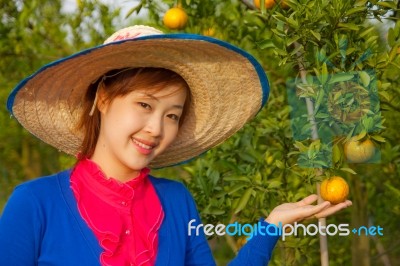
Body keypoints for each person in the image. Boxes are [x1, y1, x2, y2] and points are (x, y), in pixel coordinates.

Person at [0, 25, 351, 265]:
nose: (156, 128)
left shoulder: (176, 200)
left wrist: (271, 226)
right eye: (145, 105)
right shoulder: (35, 205)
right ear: (103, 99)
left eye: (172, 115)